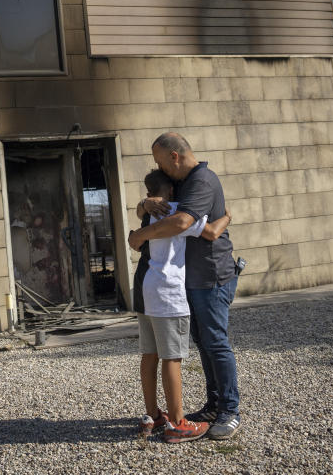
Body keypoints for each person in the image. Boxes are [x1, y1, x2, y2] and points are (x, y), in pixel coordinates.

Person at [128, 132, 242, 440]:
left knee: (213, 344)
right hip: (181, 284)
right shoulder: (178, 186)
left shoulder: (201, 181)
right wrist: (143, 205)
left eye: (160, 161)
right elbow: (199, 226)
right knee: (199, 346)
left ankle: (229, 410)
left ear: (174, 157)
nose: (160, 167)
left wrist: (139, 234)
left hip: (209, 277)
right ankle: (211, 406)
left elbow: (181, 222)